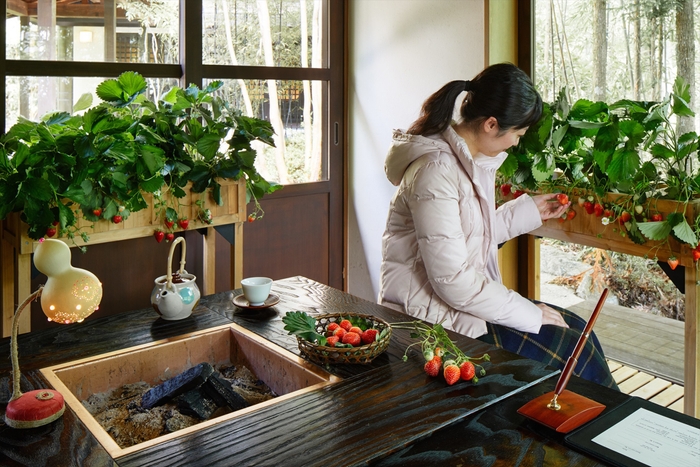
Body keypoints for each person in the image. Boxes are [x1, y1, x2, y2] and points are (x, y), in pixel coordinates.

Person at [378, 63, 617, 389]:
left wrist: (529, 211)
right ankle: (607, 431)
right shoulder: (436, 170)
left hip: (457, 308)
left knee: (578, 327)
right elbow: (454, 281)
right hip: (433, 321)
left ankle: (602, 427)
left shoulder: (466, 162)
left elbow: (470, 234)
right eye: (517, 134)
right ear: (492, 124)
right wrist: (531, 315)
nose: (516, 144)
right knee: (576, 349)